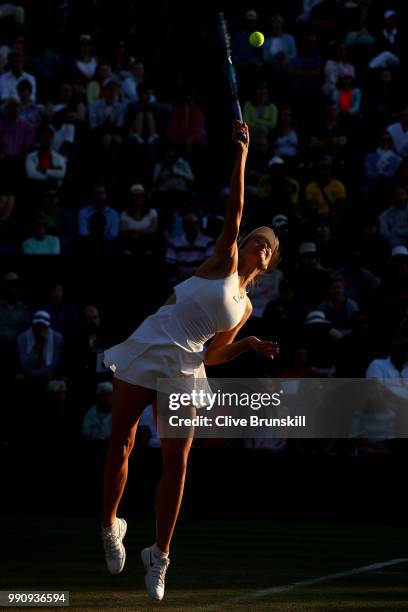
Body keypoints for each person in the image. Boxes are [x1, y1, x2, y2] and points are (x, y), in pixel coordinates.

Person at [101, 121, 280, 601]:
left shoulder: (243, 307)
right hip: (152, 340)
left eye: (268, 246)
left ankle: (159, 558)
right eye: (255, 239)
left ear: (268, 265)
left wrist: (246, 345)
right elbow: (235, 210)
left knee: (177, 465)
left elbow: (214, 353)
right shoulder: (222, 260)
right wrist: (242, 153)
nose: (259, 245)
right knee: (122, 440)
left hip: (185, 367)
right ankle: (110, 525)